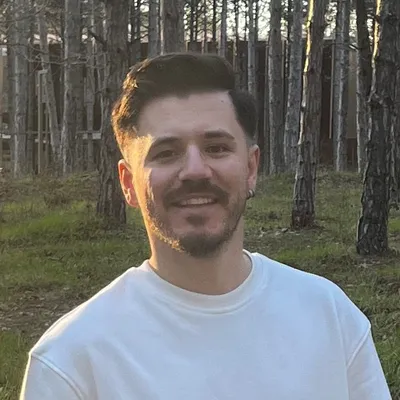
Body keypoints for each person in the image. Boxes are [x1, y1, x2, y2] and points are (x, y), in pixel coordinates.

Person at [20, 53, 391, 400]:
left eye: (216, 148)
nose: (195, 170)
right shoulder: (71, 362)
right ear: (129, 183)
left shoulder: (329, 317)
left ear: (250, 168)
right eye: (166, 153)